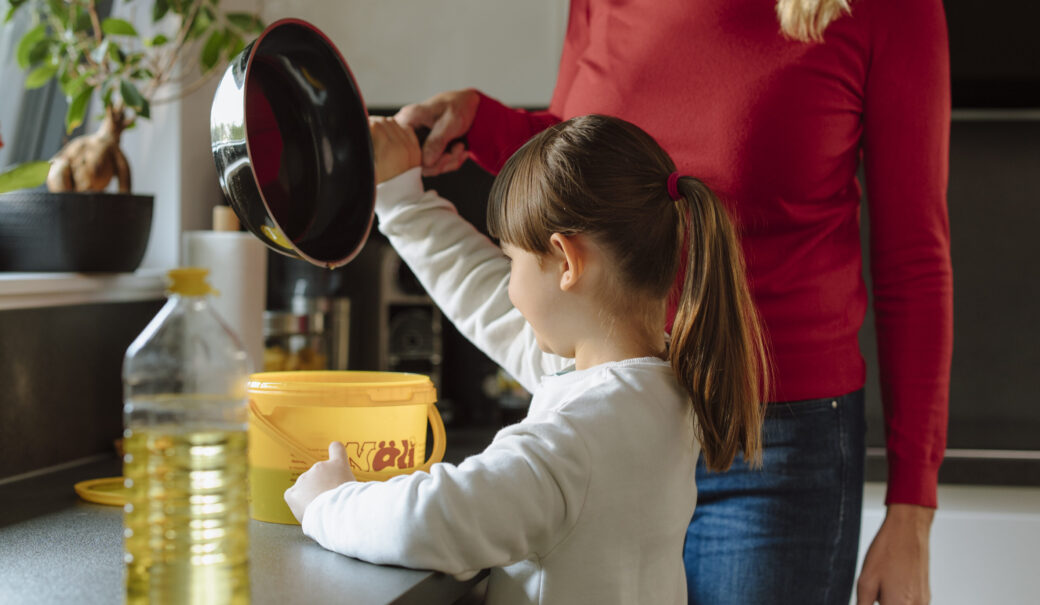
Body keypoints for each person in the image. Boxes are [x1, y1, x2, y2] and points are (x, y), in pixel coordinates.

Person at [394, 1, 953, 603]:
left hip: (775, 442)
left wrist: (912, 513)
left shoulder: (885, 9)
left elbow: (913, 263)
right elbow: (594, 168)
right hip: (617, 413)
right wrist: (483, 122)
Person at [284, 114, 770, 604]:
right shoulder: (667, 389)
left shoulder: (574, 439)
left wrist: (329, 502)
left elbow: (427, 521)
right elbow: (490, 307)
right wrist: (399, 196)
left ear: (566, 262)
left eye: (511, 260)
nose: (511, 290)